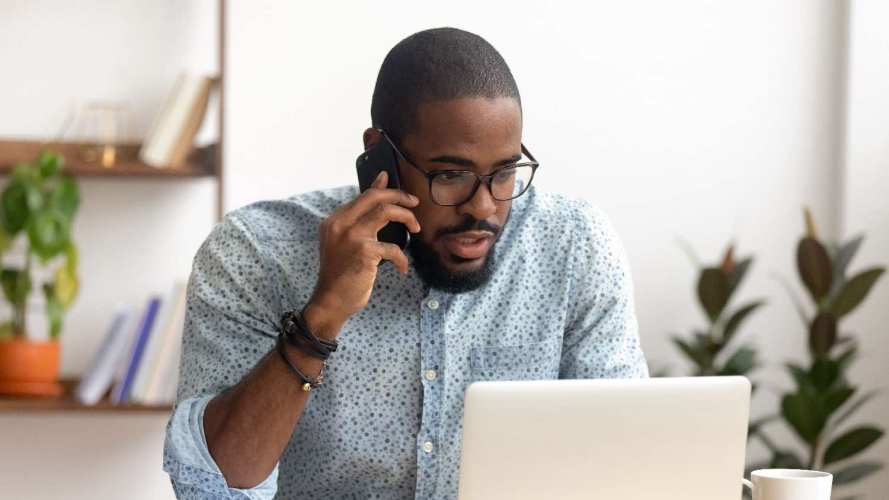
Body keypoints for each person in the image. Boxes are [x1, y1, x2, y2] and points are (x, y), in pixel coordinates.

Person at [162, 27, 648, 500]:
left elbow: (631, 455)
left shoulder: (573, 244)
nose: (483, 207)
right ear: (380, 155)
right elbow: (213, 486)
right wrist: (323, 314)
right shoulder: (256, 251)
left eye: (503, 173)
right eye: (450, 175)